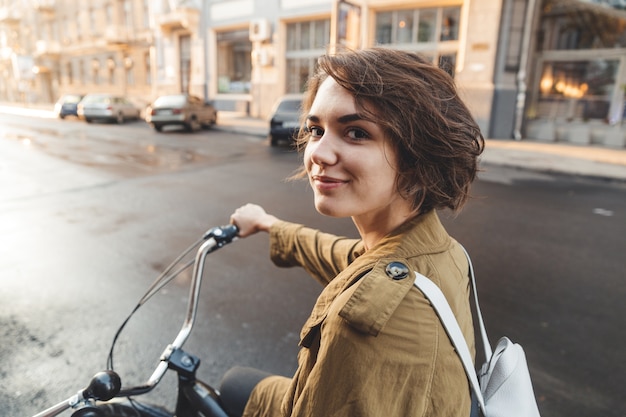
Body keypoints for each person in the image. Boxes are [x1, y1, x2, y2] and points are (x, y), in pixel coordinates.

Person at [223, 47, 485, 417]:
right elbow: (345, 256)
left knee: (232, 382)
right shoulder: (439, 250)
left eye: (356, 132)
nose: (319, 153)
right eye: (316, 129)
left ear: (417, 157)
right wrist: (269, 224)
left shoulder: (364, 324)